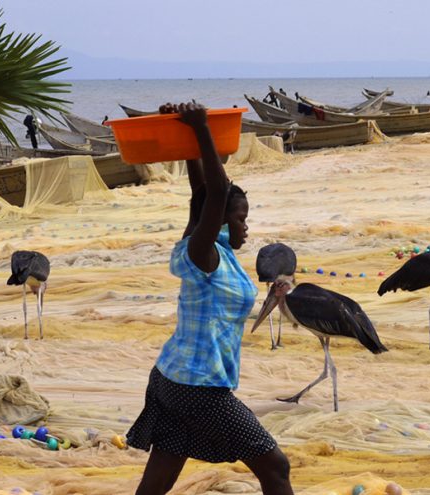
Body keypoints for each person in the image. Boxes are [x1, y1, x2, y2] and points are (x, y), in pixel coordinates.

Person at [127, 102, 293, 495]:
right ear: (218, 220)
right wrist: (201, 129)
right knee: (276, 467)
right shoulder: (204, 254)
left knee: (157, 482)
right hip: (198, 388)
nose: (246, 225)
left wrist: (185, 137)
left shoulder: (219, 254)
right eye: (240, 218)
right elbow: (213, 193)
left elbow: (202, 193)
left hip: (171, 378)